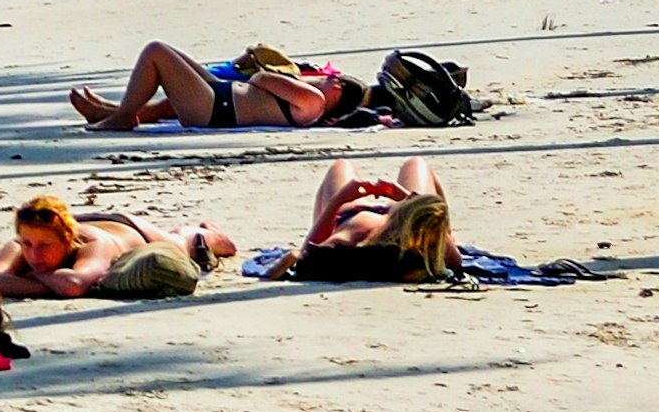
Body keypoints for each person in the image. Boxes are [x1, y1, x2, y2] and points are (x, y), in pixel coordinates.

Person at [0, 195, 239, 300]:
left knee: (185, 242)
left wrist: (28, 276)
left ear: (67, 240)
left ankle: (208, 231)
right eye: (28, 244)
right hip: (85, 220)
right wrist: (50, 280)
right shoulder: (20, 242)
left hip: (129, 230)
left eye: (45, 246)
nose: (34, 254)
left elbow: (74, 285)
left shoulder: (92, 242)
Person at [67, 39, 355, 132]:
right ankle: (110, 111)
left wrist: (294, 78)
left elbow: (259, 78)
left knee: (156, 52)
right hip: (221, 98)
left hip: (218, 109)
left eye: (331, 78)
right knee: (174, 56)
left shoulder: (314, 100)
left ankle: (123, 116)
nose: (325, 77)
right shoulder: (313, 103)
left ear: (338, 88)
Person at [286, 156, 456, 281]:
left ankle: (416, 209)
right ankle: (419, 208)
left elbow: (307, 256)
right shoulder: (428, 250)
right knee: (416, 164)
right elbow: (455, 258)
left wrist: (338, 201)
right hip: (411, 221)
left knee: (341, 165)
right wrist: (412, 203)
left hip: (352, 215)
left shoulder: (354, 237)